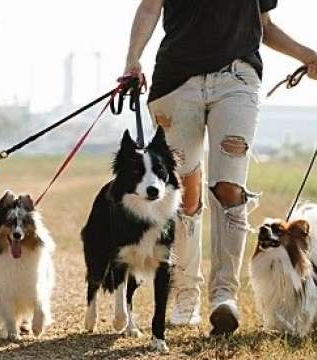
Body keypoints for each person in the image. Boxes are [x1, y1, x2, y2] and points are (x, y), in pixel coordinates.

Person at [122, 0, 317, 335]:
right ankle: (186, 294)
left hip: (237, 80)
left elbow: (263, 24)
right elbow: (150, 7)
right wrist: (133, 59)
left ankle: (224, 296)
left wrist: (308, 56)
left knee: (230, 188)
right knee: (185, 192)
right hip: (176, 82)